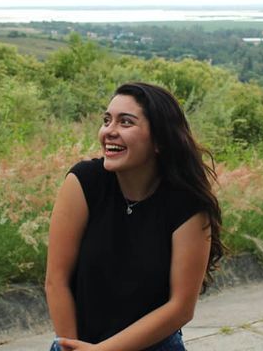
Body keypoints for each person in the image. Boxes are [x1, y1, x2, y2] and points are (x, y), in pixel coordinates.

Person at [45, 82, 225, 351]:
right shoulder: (84, 182)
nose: (109, 131)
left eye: (126, 122)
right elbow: (56, 280)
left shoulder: (189, 205)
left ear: (160, 140)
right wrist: (73, 348)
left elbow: (180, 308)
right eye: (107, 120)